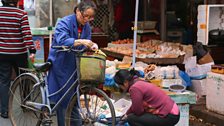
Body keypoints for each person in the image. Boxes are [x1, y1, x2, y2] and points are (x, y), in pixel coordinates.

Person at [47, 1, 97, 126]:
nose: (87, 20)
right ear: (78, 11)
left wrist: (91, 46)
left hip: (75, 63)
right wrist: (81, 41)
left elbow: (87, 42)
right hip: (62, 63)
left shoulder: (86, 27)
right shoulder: (65, 22)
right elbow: (62, 40)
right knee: (64, 98)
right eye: (85, 16)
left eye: (90, 17)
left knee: (74, 97)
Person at [0, 0, 36, 118]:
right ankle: (26, 105)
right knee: (24, 79)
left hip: (2, 53)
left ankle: (4, 111)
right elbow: (26, 33)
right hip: (19, 53)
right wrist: (32, 50)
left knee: (4, 81)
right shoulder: (21, 14)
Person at [114, 69, 180, 126]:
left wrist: (127, 116)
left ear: (125, 82)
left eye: (120, 86)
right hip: (173, 111)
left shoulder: (134, 88)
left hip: (169, 115)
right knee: (130, 116)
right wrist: (126, 114)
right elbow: (135, 105)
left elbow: (138, 111)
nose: (120, 88)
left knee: (131, 118)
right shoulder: (138, 81)